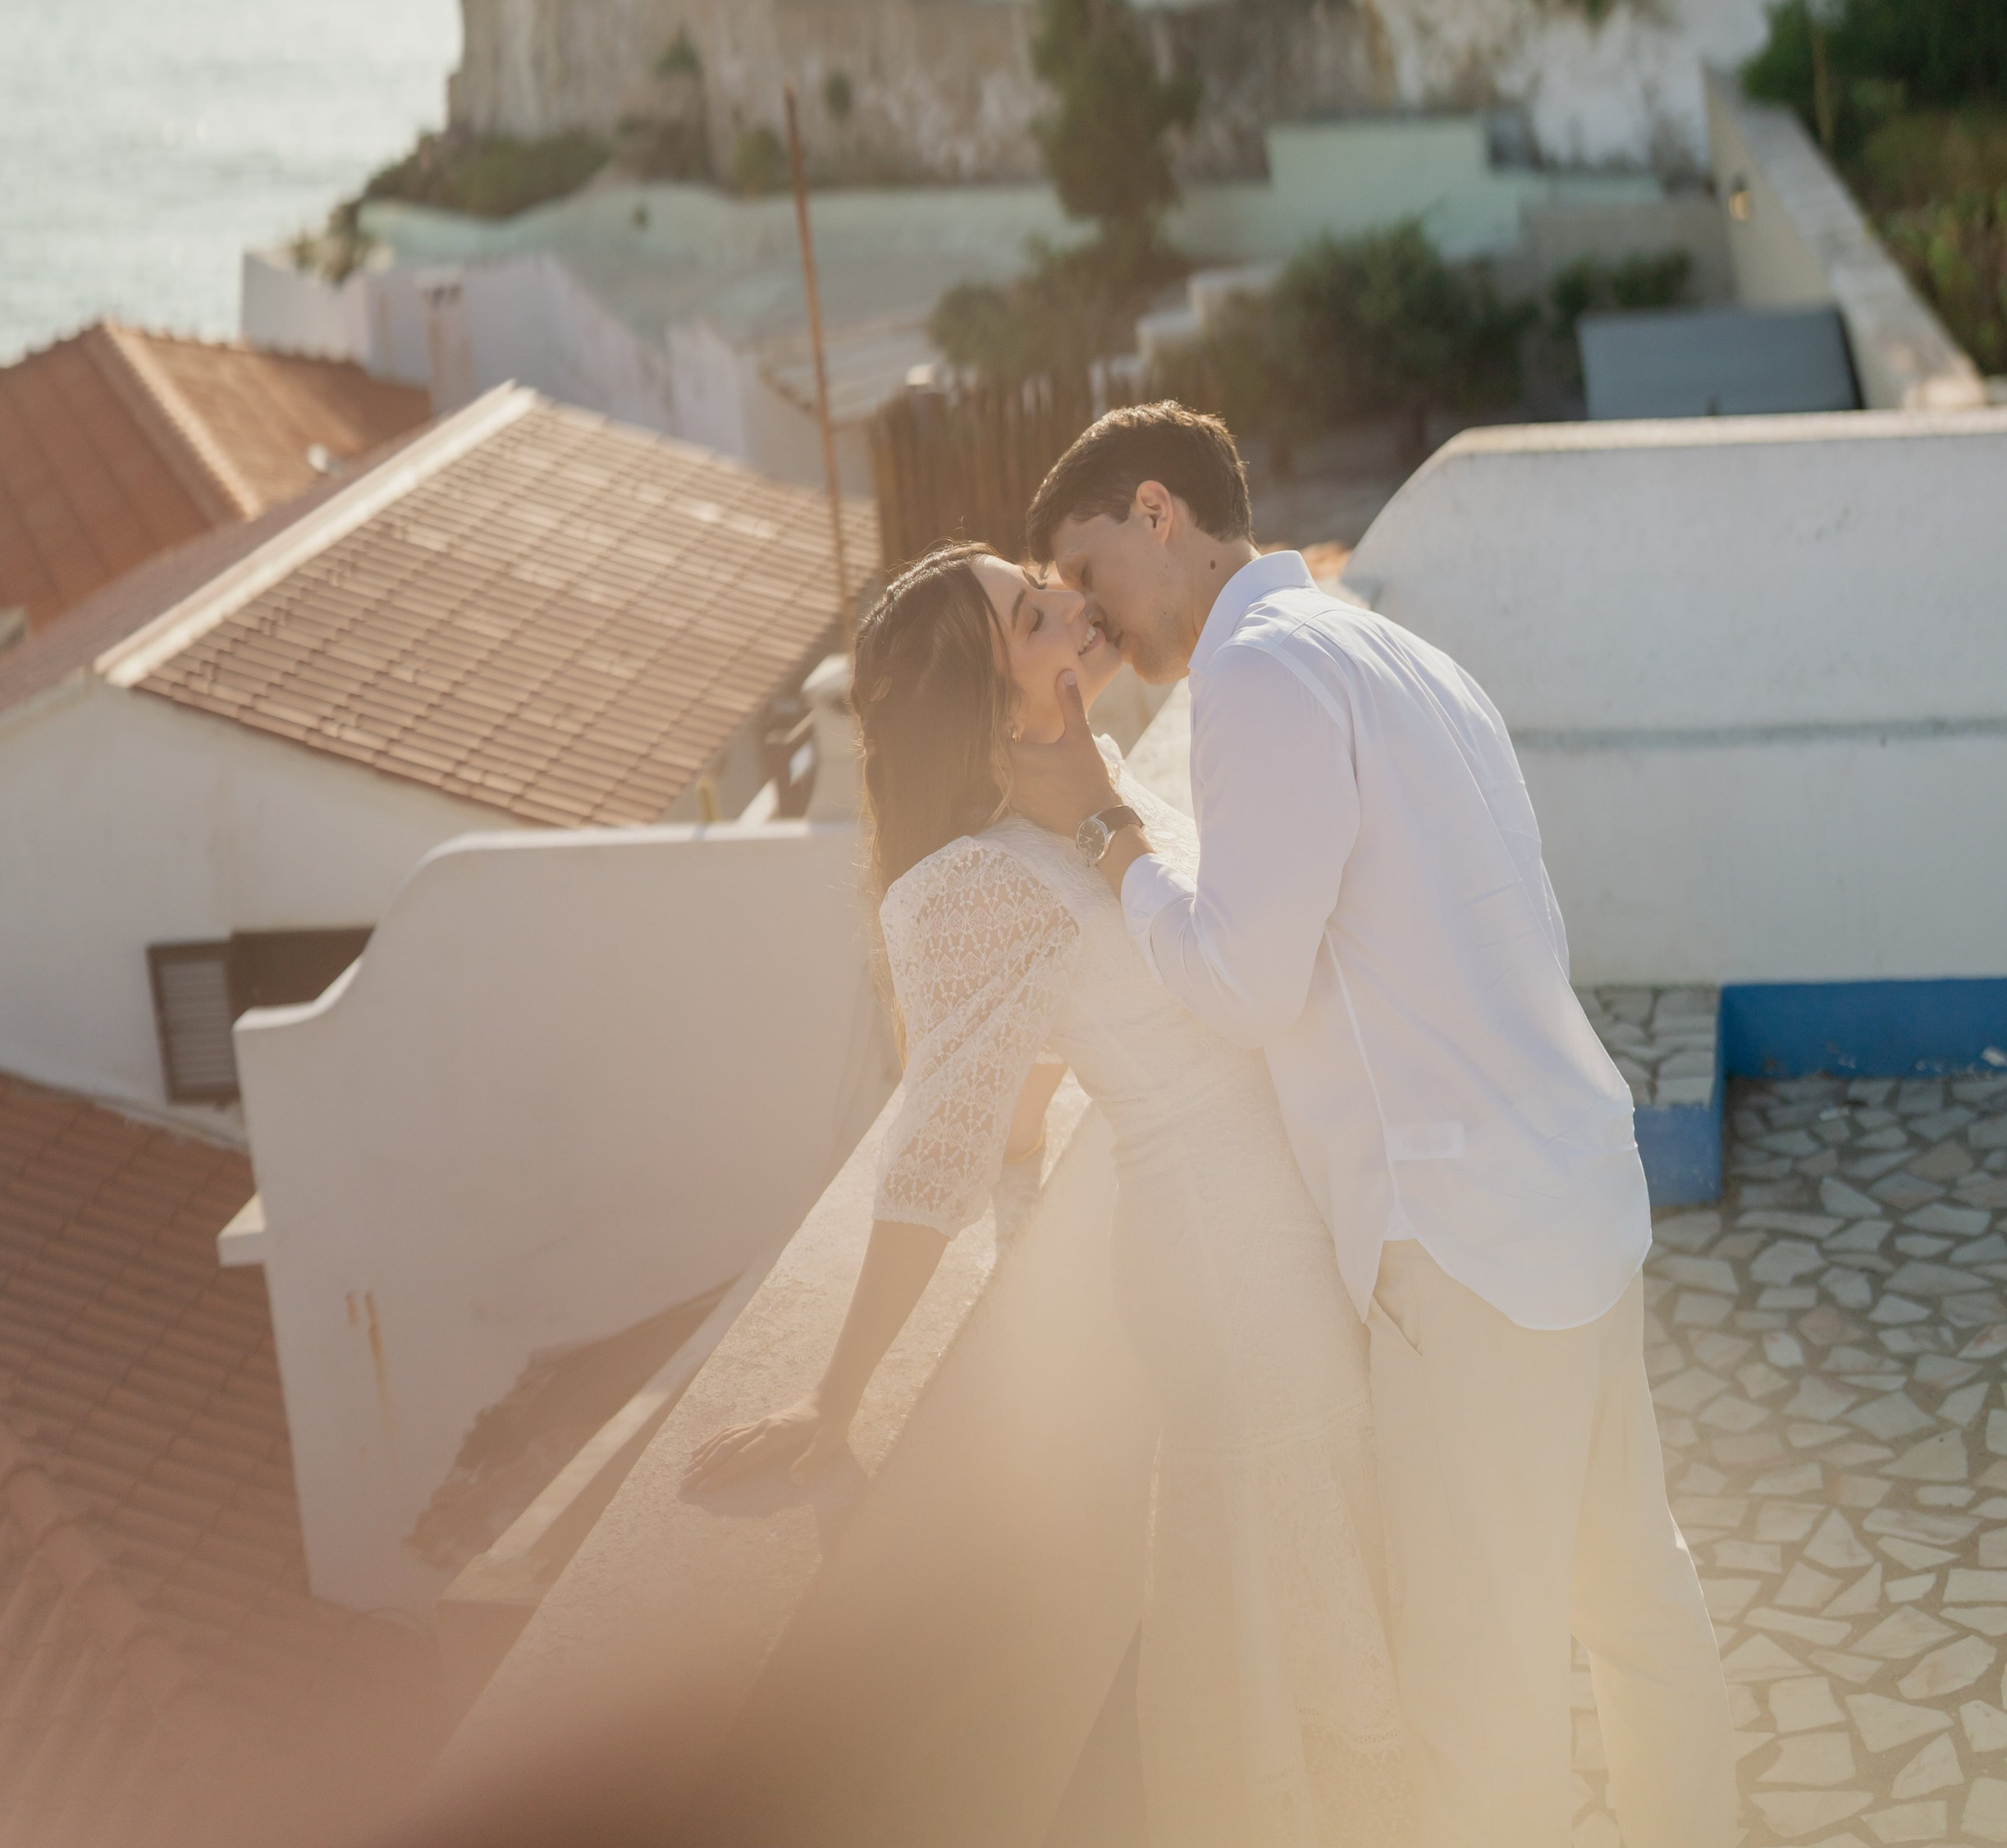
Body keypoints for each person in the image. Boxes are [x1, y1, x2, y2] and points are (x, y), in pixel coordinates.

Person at [1012, 400, 1736, 1848]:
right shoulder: (1389, 645)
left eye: (1087, 569)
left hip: (1462, 1247)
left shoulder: (1259, 677)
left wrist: (1105, 826)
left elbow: (1238, 978)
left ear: (1159, 513)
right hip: (1576, 1197)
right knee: (1641, 1614)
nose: (1088, 617)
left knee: (1485, 1703)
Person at [685, 539, 1407, 1846]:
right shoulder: (965, 882)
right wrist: (834, 1394)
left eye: (1042, 582)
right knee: (1303, 1604)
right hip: (1227, 1261)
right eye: (1034, 613)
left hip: (1282, 1219)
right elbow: (931, 1153)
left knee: (1326, 1572)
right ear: (989, 693)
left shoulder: (1084, 777)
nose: (1073, 602)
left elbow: (1058, 1028)